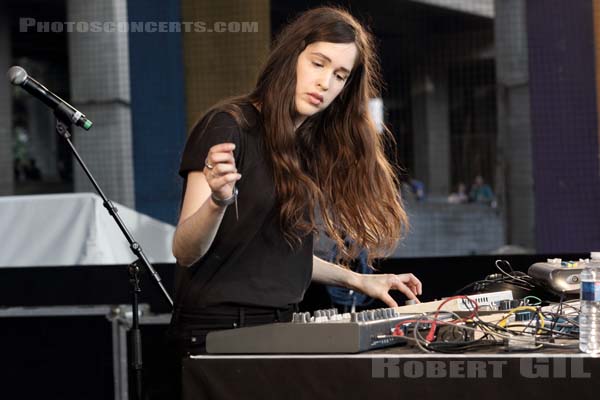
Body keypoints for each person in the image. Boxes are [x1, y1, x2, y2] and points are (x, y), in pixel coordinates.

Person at [169, 6, 422, 359]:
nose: (325, 83)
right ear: (292, 57)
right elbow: (184, 250)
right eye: (318, 63)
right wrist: (217, 202)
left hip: (279, 326)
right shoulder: (228, 126)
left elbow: (280, 255)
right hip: (216, 334)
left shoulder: (304, 147)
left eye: (340, 75)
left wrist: (360, 280)